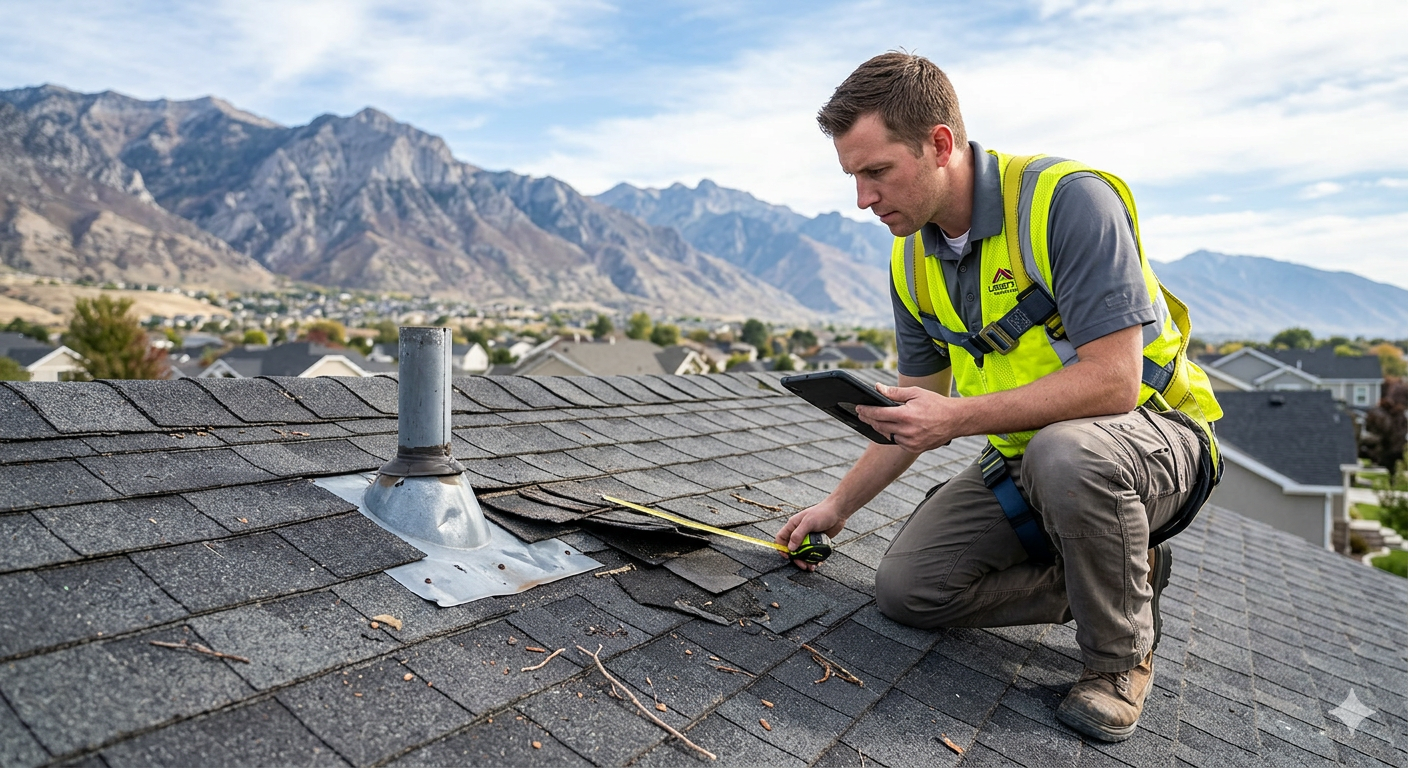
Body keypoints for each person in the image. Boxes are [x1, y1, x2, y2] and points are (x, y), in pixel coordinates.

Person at [774, 52, 1223, 743]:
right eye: (853, 177)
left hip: (1151, 440)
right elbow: (916, 409)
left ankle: (1118, 662)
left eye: (876, 171)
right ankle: (1124, 570)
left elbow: (1114, 381)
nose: (862, 199)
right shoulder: (911, 259)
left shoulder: (1067, 202)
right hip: (1031, 458)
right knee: (909, 591)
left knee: (1065, 452)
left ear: (941, 144)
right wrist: (835, 508)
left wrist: (955, 418)